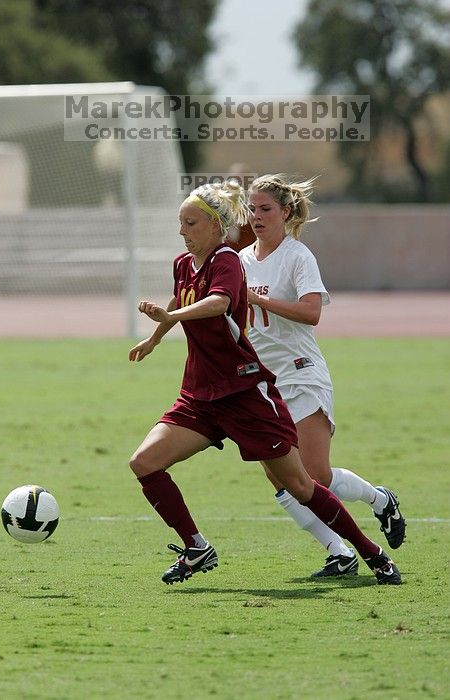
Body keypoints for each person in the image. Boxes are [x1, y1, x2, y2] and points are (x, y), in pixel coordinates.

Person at [128, 179, 401, 586]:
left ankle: (371, 553)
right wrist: (154, 337)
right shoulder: (186, 263)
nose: (182, 231)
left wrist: (172, 320)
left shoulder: (230, 259)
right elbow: (181, 296)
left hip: (249, 390)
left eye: (190, 223)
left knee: (305, 482)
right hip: (201, 394)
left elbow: (219, 302)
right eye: (180, 223)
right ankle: (198, 547)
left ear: (217, 226)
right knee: (144, 463)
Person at [238, 173, 406, 577]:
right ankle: (339, 552)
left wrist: (259, 299)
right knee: (283, 480)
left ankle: (380, 499)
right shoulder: (241, 260)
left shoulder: (298, 256)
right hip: (263, 384)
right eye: (252, 209)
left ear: (286, 212)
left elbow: (312, 312)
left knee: (315, 476)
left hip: (301, 375)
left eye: (266, 209)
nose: (257, 217)